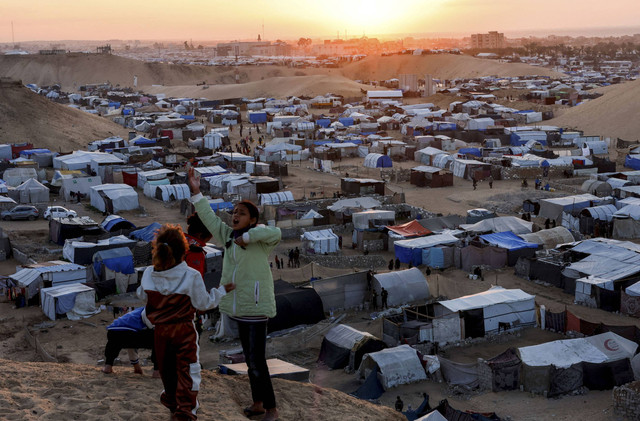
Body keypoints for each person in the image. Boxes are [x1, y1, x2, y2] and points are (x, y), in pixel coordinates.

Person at [188, 168, 281, 421]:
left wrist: (249, 236)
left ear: (252, 220)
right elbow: (208, 217)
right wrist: (196, 192)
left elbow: (276, 232)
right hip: (240, 310)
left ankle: (271, 409)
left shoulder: (260, 240)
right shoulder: (228, 237)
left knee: (257, 361)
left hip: (256, 307)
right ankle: (258, 404)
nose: (235, 216)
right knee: (251, 361)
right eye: (234, 212)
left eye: (241, 213)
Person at [137, 224, 234, 421]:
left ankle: (173, 406)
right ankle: (185, 411)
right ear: (184, 251)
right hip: (183, 332)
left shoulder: (148, 273)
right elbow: (203, 303)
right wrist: (222, 291)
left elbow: (141, 296)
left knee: (168, 371)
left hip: (160, 332)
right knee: (188, 371)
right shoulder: (191, 275)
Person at [102, 307, 159, 378]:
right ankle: (157, 371)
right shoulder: (151, 311)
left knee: (115, 343)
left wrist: (136, 366)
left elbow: (131, 343)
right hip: (123, 333)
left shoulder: (137, 312)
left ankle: (108, 366)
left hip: (113, 331)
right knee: (159, 341)